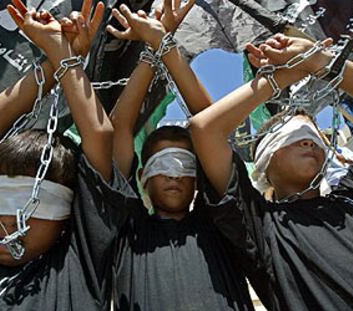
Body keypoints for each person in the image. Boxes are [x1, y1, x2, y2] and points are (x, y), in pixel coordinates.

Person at [190, 33, 353, 311]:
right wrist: (282, 77)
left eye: (313, 136)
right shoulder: (264, 230)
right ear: (266, 163)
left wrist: (319, 62)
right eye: (292, 136)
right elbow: (205, 130)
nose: (308, 141)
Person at [0, 0, 117, 309]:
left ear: (65, 221)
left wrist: (68, 60)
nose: (11, 220)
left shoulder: (77, 268)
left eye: (38, 204)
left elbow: (99, 135)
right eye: (3, 196)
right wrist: (56, 58)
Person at [102, 2, 255, 310]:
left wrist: (166, 45)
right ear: (142, 178)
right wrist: (151, 52)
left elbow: (209, 122)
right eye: (162, 164)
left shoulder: (219, 226)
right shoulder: (127, 232)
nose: (173, 175)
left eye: (184, 165)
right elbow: (119, 129)